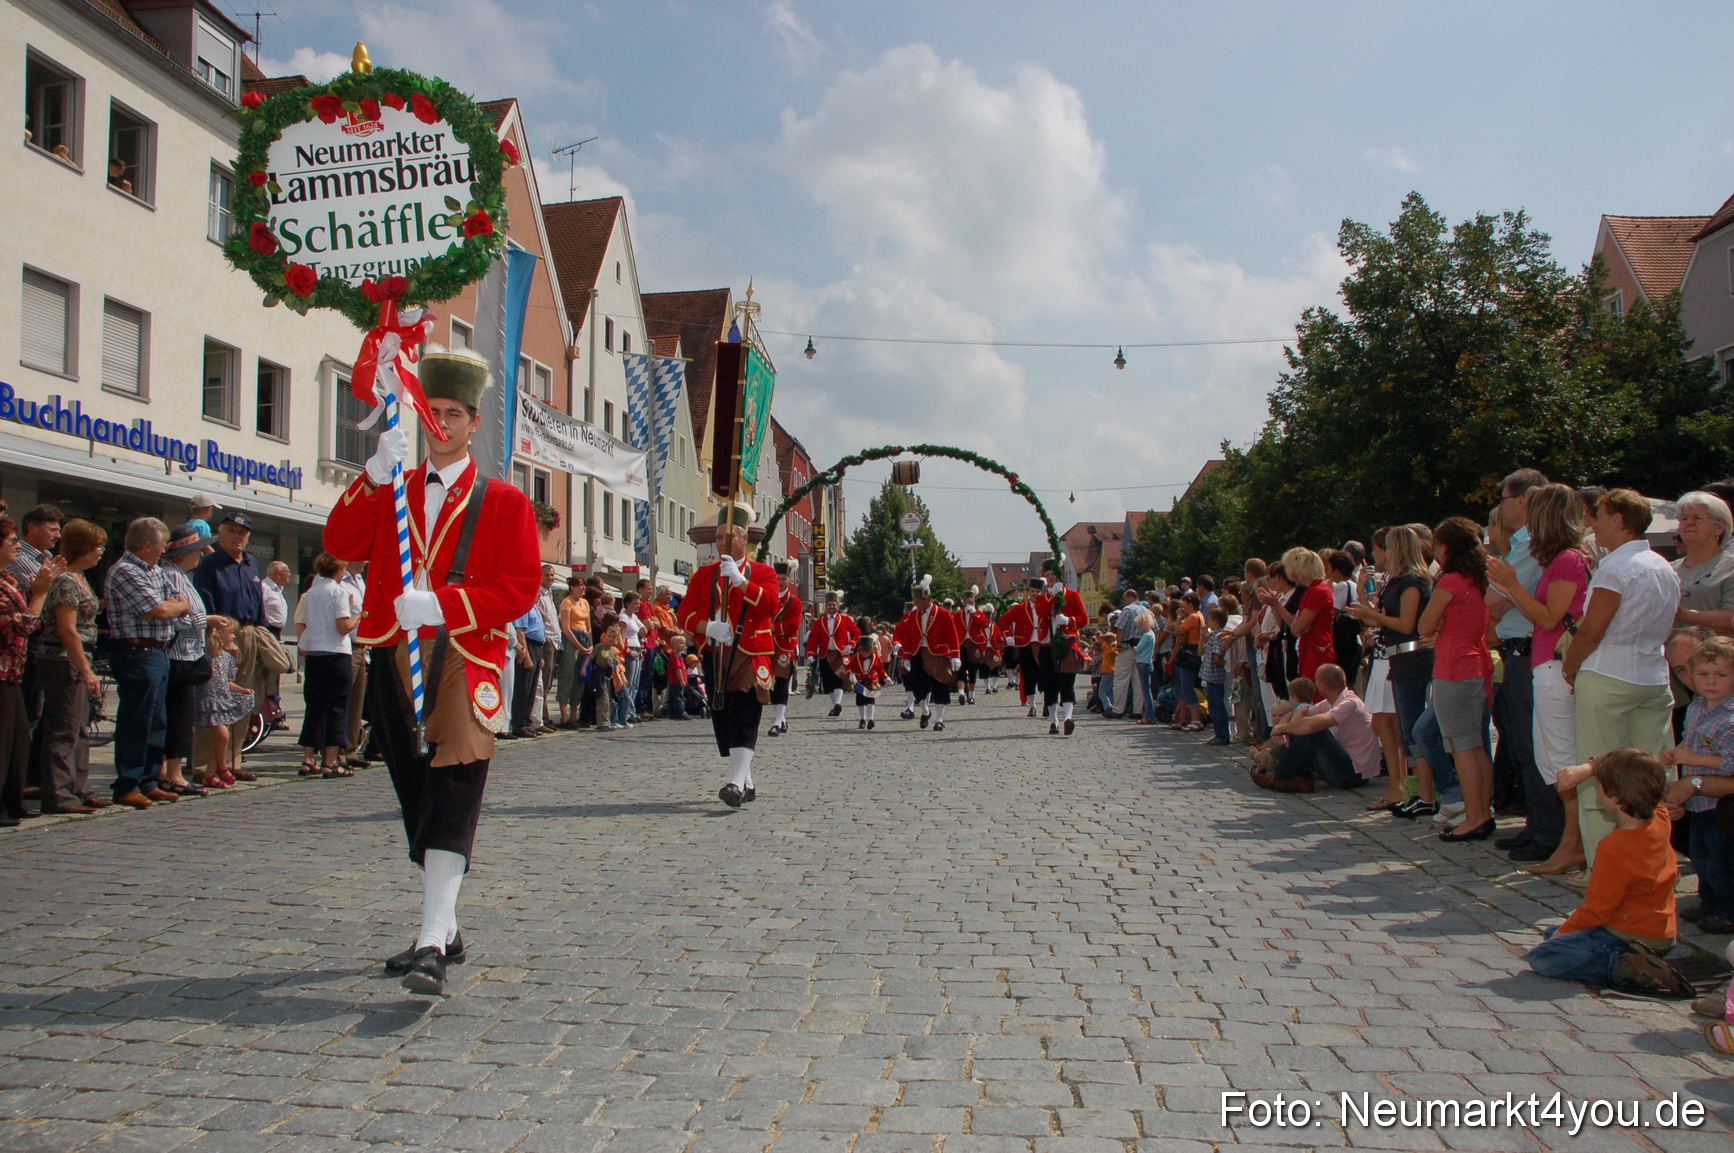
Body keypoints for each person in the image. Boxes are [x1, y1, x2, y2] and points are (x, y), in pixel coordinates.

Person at [323, 348, 542, 995]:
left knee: (456, 782)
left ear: (474, 421)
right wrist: (371, 473)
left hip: (466, 653)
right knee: (415, 792)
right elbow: (339, 543)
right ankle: (444, 926)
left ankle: (429, 940)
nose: (440, 424)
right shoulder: (393, 491)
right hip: (393, 650)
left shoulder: (502, 500)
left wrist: (444, 603)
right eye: (432, 413)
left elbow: (521, 586)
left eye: (452, 414)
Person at [1563, 489, 1681, 866]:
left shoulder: (1615, 567)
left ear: (1619, 520)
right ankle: (1654, 857)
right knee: (1651, 773)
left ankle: (1605, 866)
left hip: (1609, 673)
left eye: (1599, 516)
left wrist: (1571, 666)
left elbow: (1593, 628)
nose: (1593, 525)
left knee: (1600, 773)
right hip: (1652, 675)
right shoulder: (1663, 565)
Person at [1527, 749, 1691, 997]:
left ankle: (1624, 968)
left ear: (1614, 796)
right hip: (1661, 934)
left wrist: (1563, 933)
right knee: (1554, 934)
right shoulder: (1660, 817)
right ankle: (1638, 958)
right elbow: (1637, 758)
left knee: (1544, 956)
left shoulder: (1614, 847)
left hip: (1626, 934)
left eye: (1600, 785)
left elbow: (1598, 909)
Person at [1487, 483, 1590, 870]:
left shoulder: (1565, 559)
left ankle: (1557, 834)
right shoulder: (1557, 558)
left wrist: (1511, 586)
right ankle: (1543, 826)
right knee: (1535, 751)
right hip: (1534, 658)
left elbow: (1550, 617)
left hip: (1547, 661)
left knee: (1551, 753)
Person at [675, 502, 778, 808]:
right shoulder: (704, 575)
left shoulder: (763, 572)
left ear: (744, 539)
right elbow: (684, 614)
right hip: (716, 655)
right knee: (725, 716)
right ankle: (745, 780)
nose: (722, 543)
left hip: (750, 653)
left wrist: (741, 582)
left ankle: (734, 782)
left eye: (728, 537)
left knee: (746, 712)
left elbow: (770, 605)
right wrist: (708, 627)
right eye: (718, 538)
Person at [103, 517, 190, 810]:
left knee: (156, 721)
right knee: (136, 720)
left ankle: (149, 780)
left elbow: (181, 602)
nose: (165, 548)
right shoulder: (125, 571)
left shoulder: (154, 571)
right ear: (146, 545)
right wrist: (173, 607)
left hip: (160, 650)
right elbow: (161, 609)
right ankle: (127, 783)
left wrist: (174, 606)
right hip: (136, 651)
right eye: (162, 543)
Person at [1417, 516, 1495, 842]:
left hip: (1453, 669)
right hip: (1475, 667)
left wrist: (1437, 629)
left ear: (1446, 546)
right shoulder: (1477, 578)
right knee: (1476, 746)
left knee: (1460, 748)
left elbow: (1424, 625)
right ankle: (1483, 811)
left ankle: (1474, 816)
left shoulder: (1449, 581)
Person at [191, 511, 275, 780]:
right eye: (232, 531)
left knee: (242, 700)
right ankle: (205, 766)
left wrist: (261, 634)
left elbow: (258, 602)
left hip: (249, 632)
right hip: (221, 634)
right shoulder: (210, 564)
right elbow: (205, 603)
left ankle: (234, 761)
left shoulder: (252, 564)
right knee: (214, 701)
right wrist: (218, 639)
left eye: (242, 532)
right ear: (220, 533)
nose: (237, 536)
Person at [1660, 635, 1734, 935]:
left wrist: (1692, 759)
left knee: (1722, 859)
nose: (1710, 682)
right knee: (1700, 855)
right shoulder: (1696, 707)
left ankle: (1728, 909)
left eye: (1721, 675)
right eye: (1703, 674)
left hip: (1719, 803)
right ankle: (1708, 901)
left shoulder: (1730, 717)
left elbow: (1729, 762)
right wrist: (1675, 751)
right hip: (1697, 802)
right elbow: (1690, 740)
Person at [35, 520, 109, 813]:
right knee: (63, 727)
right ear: (84, 548)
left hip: (79, 657)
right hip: (62, 659)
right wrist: (86, 669)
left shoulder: (79, 577)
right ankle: (59, 794)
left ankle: (79, 787)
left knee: (79, 727)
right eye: (97, 546)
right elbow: (68, 630)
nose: (101, 552)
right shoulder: (65, 580)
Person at [0, 520, 59, 825]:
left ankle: (13, 800)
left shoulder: (8, 578)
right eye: (11, 540)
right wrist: (39, 593)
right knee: (4, 738)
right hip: (2, 670)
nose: (17, 545)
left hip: (14, 671)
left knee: (20, 736)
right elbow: (22, 624)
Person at [1254, 663, 1378, 792]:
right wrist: (1284, 728)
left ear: (1322, 685)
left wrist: (1281, 729)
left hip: (1354, 774)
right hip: (1345, 768)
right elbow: (1303, 710)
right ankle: (1300, 778)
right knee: (1305, 728)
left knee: (1313, 730)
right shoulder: (1332, 702)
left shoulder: (1350, 703)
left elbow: (1310, 725)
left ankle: (1280, 775)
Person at [159, 523, 211, 797]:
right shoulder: (173, 576)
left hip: (188, 652)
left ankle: (169, 771)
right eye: (196, 550)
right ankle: (173, 773)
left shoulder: (183, 575)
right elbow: (186, 618)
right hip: (179, 655)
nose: (200, 554)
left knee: (180, 714)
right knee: (179, 715)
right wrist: (205, 619)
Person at [296, 553, 357, 778]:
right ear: (339, 569)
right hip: (336, 653)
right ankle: (330, 762)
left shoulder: (311, 593)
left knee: (313, 708)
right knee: (337, 708)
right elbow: (343, 626)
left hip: (314, 654)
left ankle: (308, 758)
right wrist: (358, 615)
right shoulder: (339, 591)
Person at [893, 575, 964, 732]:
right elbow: (908, 637)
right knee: (918, 688)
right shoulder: (913, 615)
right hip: (919, 654)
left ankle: (939, 719)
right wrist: (906, 657)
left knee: (940, 687)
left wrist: (955, 655)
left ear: (927, 599)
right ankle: (925, 711)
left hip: (938, 654)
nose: (916, 604)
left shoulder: (944, 614)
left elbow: (952, 635)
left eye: (918, 601)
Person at [195, 616, 255, 790]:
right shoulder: (204, 653)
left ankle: (209, 774)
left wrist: (242, 690)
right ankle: (222, 768)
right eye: (231, 633)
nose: (234, 637)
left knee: (220, 738)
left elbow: (228, 681)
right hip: (208, 699)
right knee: (222, 736)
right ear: (218, 633)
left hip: (222, 699)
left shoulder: (227, 657)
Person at [1032, 572, 1086, 736]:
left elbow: (1083, 618)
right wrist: (1053, 596)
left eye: (1053, 574)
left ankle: (1068, 718)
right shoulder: (1042, 598)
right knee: (1050, 685)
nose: (1051, 577)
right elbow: (1041, 612)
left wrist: (1070, 620)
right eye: (1047, 575)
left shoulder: (1073, 595)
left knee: (1067, 683)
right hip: (1048, 645)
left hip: (1067, 643)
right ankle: (1054, 721)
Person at [1673, 490, 1734, 633]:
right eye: (1684, 518)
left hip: (1717, 654)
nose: (1689, 523)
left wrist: (1685, 615)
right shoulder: (1668, 570)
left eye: (1698, 517)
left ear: (1719, 527)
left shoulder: (1730, 568)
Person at [804, 591, 859, 718]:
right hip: (824, 655)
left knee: (838, 680)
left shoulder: (845, 619)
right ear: (826, 606)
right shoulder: (819, 622)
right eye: (829, 605)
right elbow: (813, 639)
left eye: (834, 605)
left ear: (837, 606)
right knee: (828, 683)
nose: (832, 607)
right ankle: (836, 706)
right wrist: (811, 653)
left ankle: (838, 703)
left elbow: (856, 632)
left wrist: (850, 644)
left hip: (840, 654)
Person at [767, 561, 803, 736]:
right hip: (765, 646)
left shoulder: (794, 602)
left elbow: (793, 626)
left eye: (783, 578)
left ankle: (776, 721)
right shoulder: (767, 597)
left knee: (781, 684)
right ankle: (781, 719)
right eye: (777, 578)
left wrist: (772, 628)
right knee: (767, 685)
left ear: (789, 580)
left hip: (784, 648)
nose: (780, 581)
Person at [999, 585, 1040, 717]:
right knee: (1028, 676)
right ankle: (1032, 705)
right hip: (1025, 645)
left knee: (1044, 675)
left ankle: (1046, 703)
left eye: (1038, 591)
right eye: (1033, 591)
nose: (1035, 593)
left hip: (1042, 644)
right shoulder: (1020, 608)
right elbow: (1004, 620)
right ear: (1029, 592)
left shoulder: (1046, 607)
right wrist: (1008, 635)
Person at [510, 598, 548, 739]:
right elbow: (520, 632)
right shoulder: (524, 606)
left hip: (537, 646)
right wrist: (527, 656)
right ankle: (519, 724)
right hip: (528, 645)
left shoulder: (535, 607)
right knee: (523, 687)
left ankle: (527, 722)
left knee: (532, 689)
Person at [1169, 591, 1205, 733]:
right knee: (1189, 688)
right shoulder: (1200, 615)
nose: (1182, 608)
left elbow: (1178, 631)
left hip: (1189, 654)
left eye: (1184, 605)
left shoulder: (1192, 617)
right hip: (1195, 652)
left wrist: (1179, 616)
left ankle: (1196, 720)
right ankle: (1195, 719)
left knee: (1187, 688)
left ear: (1190, 604)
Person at [556, 578, 590, 728]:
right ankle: (564, 717)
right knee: (568, 675)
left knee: (580, 678)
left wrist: (589, 645)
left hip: (583, 638)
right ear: (572, 587)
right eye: (580, 585)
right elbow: (566, 627)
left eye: (584, 585)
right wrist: (578, 646)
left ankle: (574, 716)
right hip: (571, 639)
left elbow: (588, 627)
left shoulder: (585, 603)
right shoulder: (567, 602)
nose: (583, 588)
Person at [1200, 606, 1232, 745]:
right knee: (1214, 704)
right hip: (1211, 676)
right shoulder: (1214, 635)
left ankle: (1222, 735)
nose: (1208, 622)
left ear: (1216, 621)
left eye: (1210, 620)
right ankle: (1220, 733)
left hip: (1215, 675)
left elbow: (1217, 656)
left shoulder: (1216, 636)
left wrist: (1220, 662)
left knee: (1216, 706)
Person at [845, 635, 887, 729]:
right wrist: (851, 674)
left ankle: (871, 719)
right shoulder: (856, 657)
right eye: (862, 651)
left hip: (871, 682)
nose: (865, 654)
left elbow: (880, 669)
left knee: (871, 701)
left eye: (867, 651)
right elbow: (849, 668)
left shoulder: (875, 657)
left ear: (871, 650)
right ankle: (863, 719)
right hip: (860, 682)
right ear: (860, 650)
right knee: (860, 702)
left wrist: (885, 677)